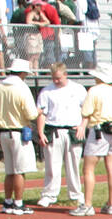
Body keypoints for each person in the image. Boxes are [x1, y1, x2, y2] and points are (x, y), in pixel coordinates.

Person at [76, 64, 112, 215]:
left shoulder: (94, 91)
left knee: (88, 168)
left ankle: (87, 204)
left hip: (99, 130)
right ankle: (110, 203)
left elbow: (86, 111)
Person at [36, 62, 87, 209]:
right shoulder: (46, 91)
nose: (56, 81)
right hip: (54, 130)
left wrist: (83, 126)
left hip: (73, 130)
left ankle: (76, 194)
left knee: (74, 165)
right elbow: (42, 113)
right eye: (54, 78)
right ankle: (49, 195)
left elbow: (87, 110)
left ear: (65, 74)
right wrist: (41, 132)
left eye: (58, 78)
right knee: (52, 165)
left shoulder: (78, 89)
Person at [0, 57, 42, 215]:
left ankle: (7, 202)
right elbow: (31, 113)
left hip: (3, 130)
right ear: (22, 73)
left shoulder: (0, 86)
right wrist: (39, 112)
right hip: (19, 131)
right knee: (20, 170)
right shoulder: (21, 87)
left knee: (9, 170)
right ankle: (18, 203)